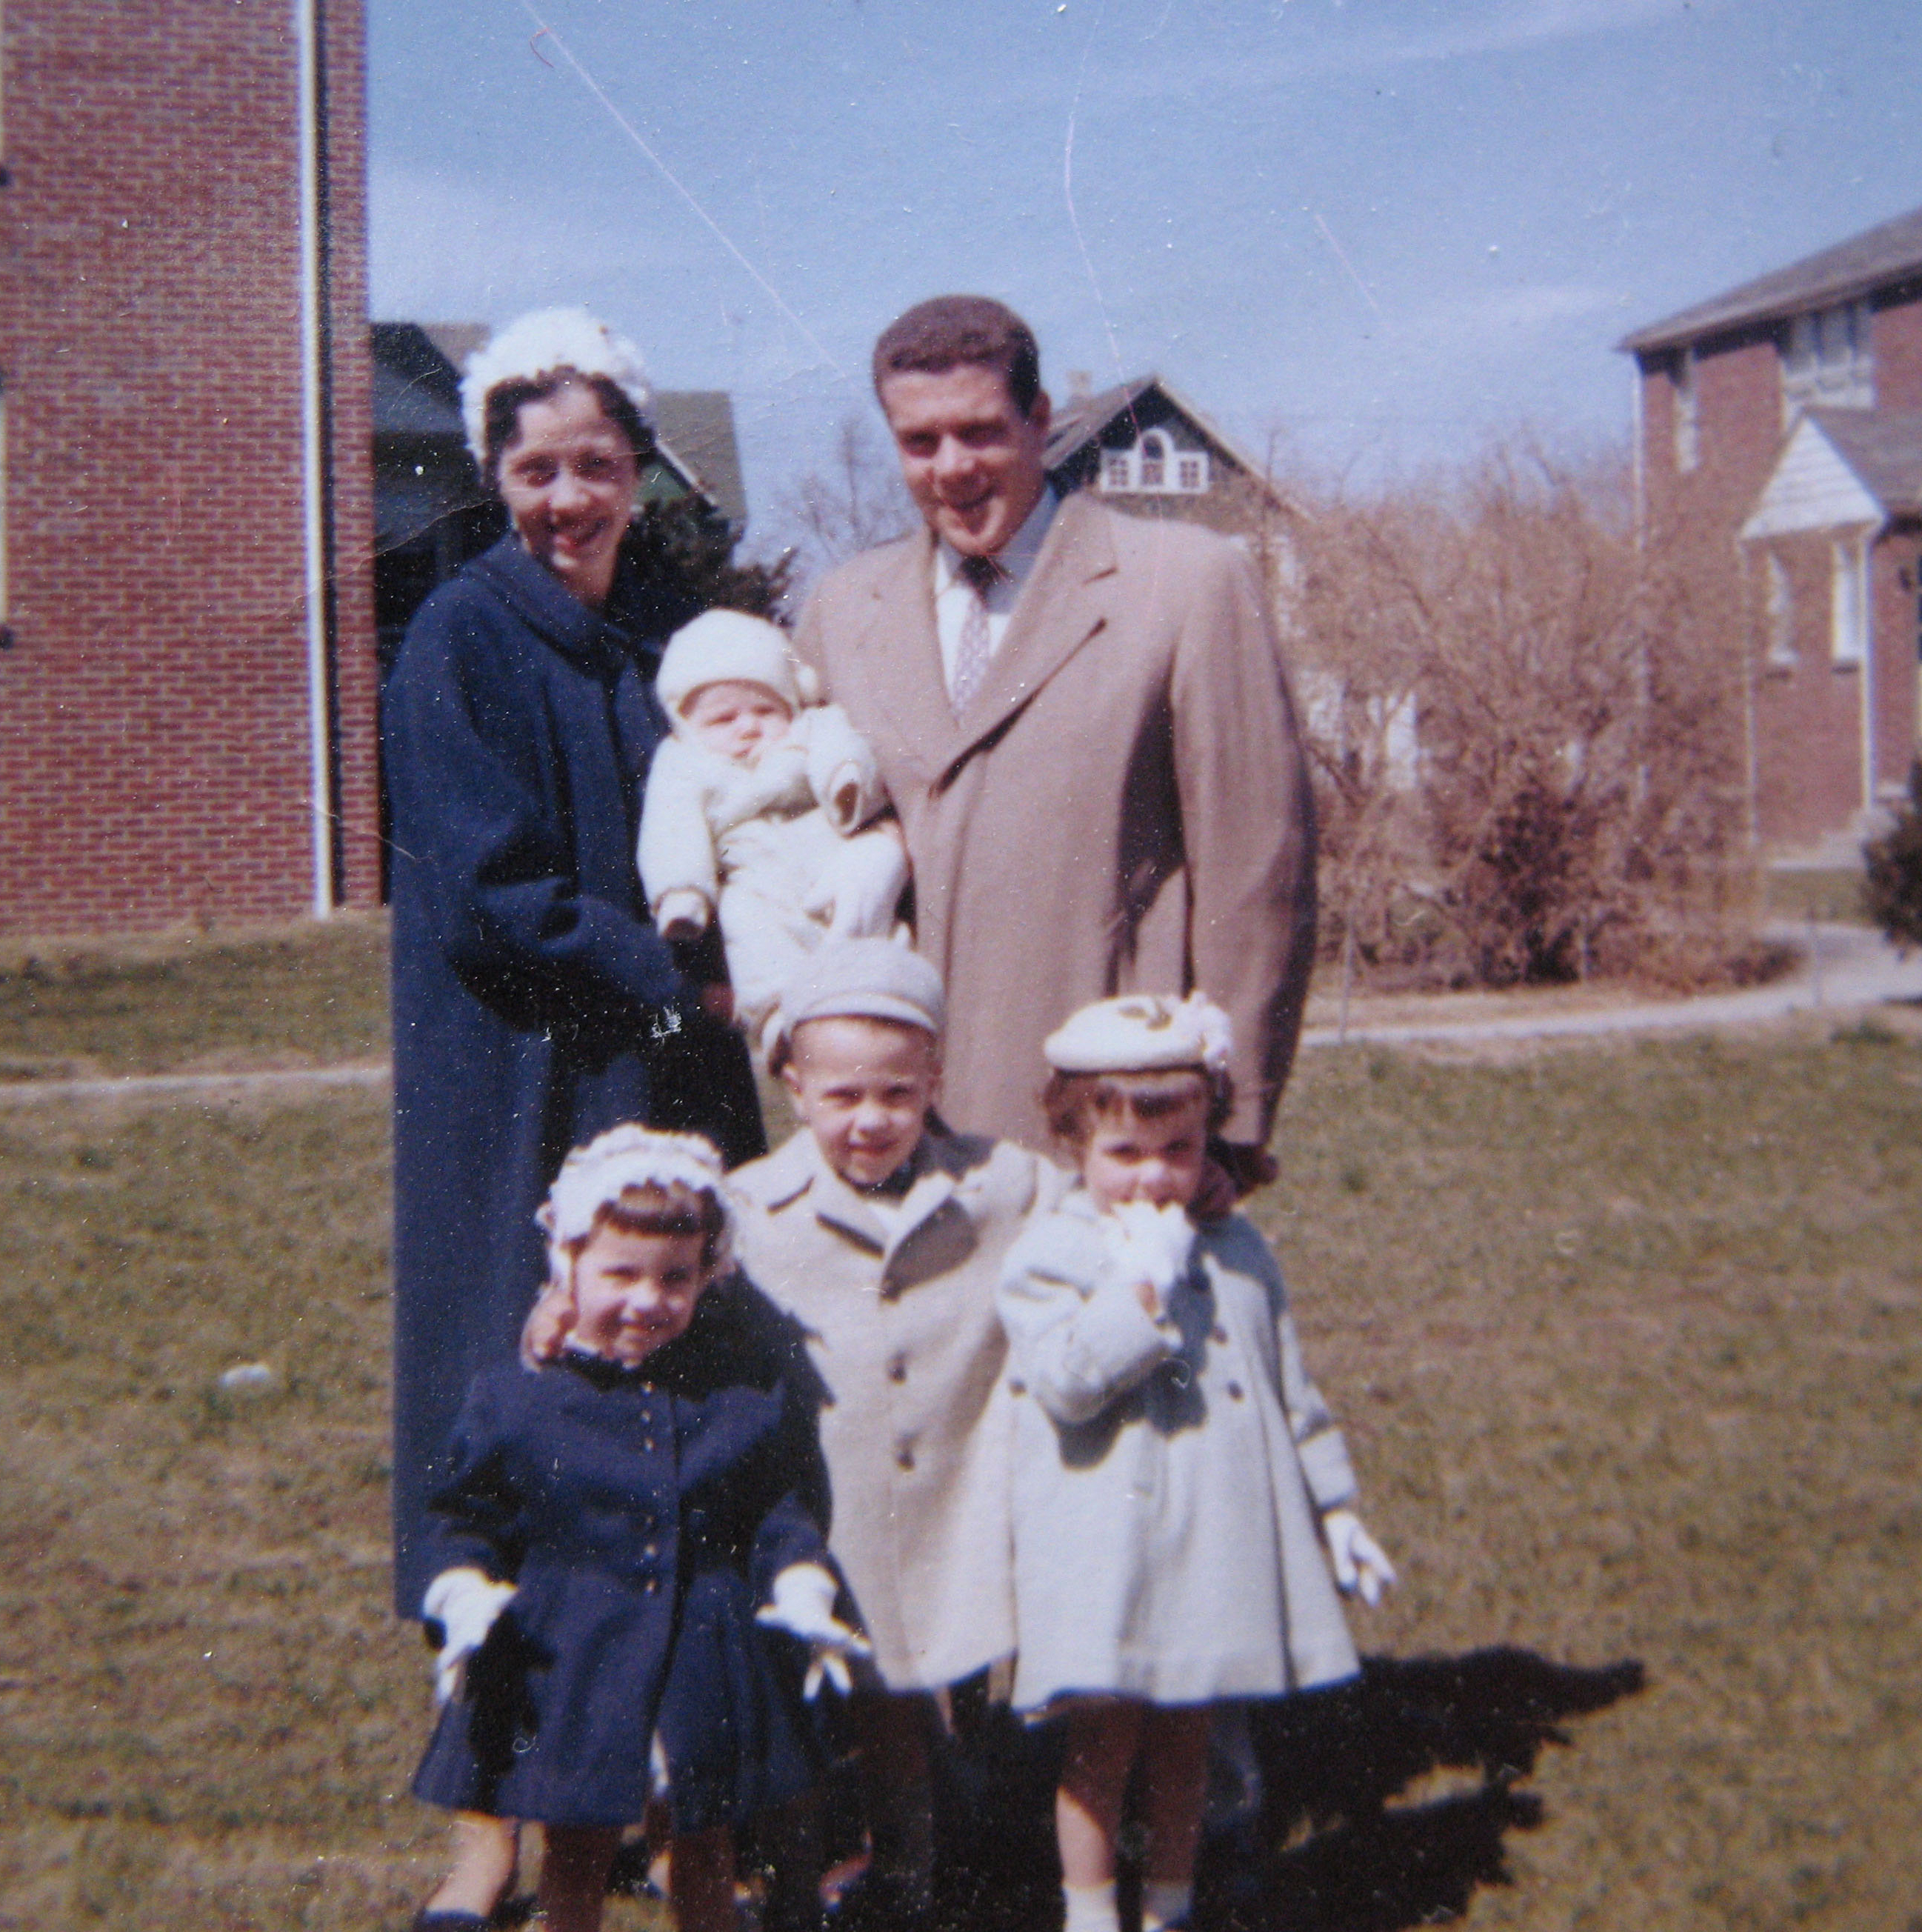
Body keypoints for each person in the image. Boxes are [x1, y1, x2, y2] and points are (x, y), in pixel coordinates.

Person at [382, 306, 766, 1920]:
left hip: (667, 1067)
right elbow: (495, 895)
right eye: (534, 469)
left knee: (679, 1394)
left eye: (595, 465)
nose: (566, 499)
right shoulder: (460, 639)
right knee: (519, 1401)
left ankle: (689, 1801)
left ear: (637, 468)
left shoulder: (673, 636)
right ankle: (488, 1829)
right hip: (520, 1075)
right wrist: (679, 983)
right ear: (495, 473)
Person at [793, 296, 1317, 1179]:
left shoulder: (1185, 585)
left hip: (1108, 1132)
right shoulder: (843, 608)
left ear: (1041, 421)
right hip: (888, 1141)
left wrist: (1228, 1128)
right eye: (920, 443)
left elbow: (1257, 874)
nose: (952, 468)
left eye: (981, 433)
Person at [995, 993, 1395, 1932]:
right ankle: (1089, 1914)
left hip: (1213, 1533)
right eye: (1122, 1155)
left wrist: (1334, 1506)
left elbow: (1288, 1383)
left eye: (1177, 1151)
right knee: (1102, 1744)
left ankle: (1171, 1905)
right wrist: (1137, 1295)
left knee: (1186, 1743)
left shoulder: (1239, 1248)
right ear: (1075, 1145)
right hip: (1108, 1540)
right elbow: (1061, 1380)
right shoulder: (1055, 1252)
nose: (1151, 1180)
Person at [413, 1127, 872, 1932]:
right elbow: (464, 1516)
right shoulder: (517, 1403)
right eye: (620, 1273)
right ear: (570, 1268)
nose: (646, 1299)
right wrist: (463, 1586)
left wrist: (799, 1575)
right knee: (578, 1851)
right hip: (576, 1659)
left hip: (704, 1653)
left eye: (675, 1278)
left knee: (707, 1850)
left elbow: (771, 1510)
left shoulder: (736, 1400)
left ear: (708, 1275)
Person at [727, 938, 1061, 1929]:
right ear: (792, 1084)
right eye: (842, 1097)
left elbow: (1097, 1214)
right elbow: (651, 1265)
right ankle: (792, 1885)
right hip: (811, 1512)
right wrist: (563, 1307)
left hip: (938, 1506)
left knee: (897, 1704)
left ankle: (911, 1880)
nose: (870, 1120)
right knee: (796, 1712)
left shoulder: (1001, 1187)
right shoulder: (750, 1210)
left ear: (935, 1081)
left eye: (897, 1094)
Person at [638, 607, 912, 1052]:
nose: (748, 727)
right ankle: (776, 1015)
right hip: (754, 875)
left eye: (765, 710)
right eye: (724, 719)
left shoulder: (810, 726)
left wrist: (846, 784)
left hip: (833, 855)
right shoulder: (684, 761)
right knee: (748, 926)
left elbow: (841, 748)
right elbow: (671, 827)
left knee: (874, 929)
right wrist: (681, 894)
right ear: (688, 724)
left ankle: (892, 998)